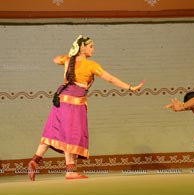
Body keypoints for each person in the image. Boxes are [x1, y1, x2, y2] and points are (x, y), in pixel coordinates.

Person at [28, 35, 145, 181]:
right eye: (91, 46)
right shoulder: (91, 65)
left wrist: (70, 54)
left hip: (60, 101)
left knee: (54, 133)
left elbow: (55, 59)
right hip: (75, 104)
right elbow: (110, 79)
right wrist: (130, 87)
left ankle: (35, 160)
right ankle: (70, 172)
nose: (93, 49)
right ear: (82, 48)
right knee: (70, 137)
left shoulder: (67, 60)